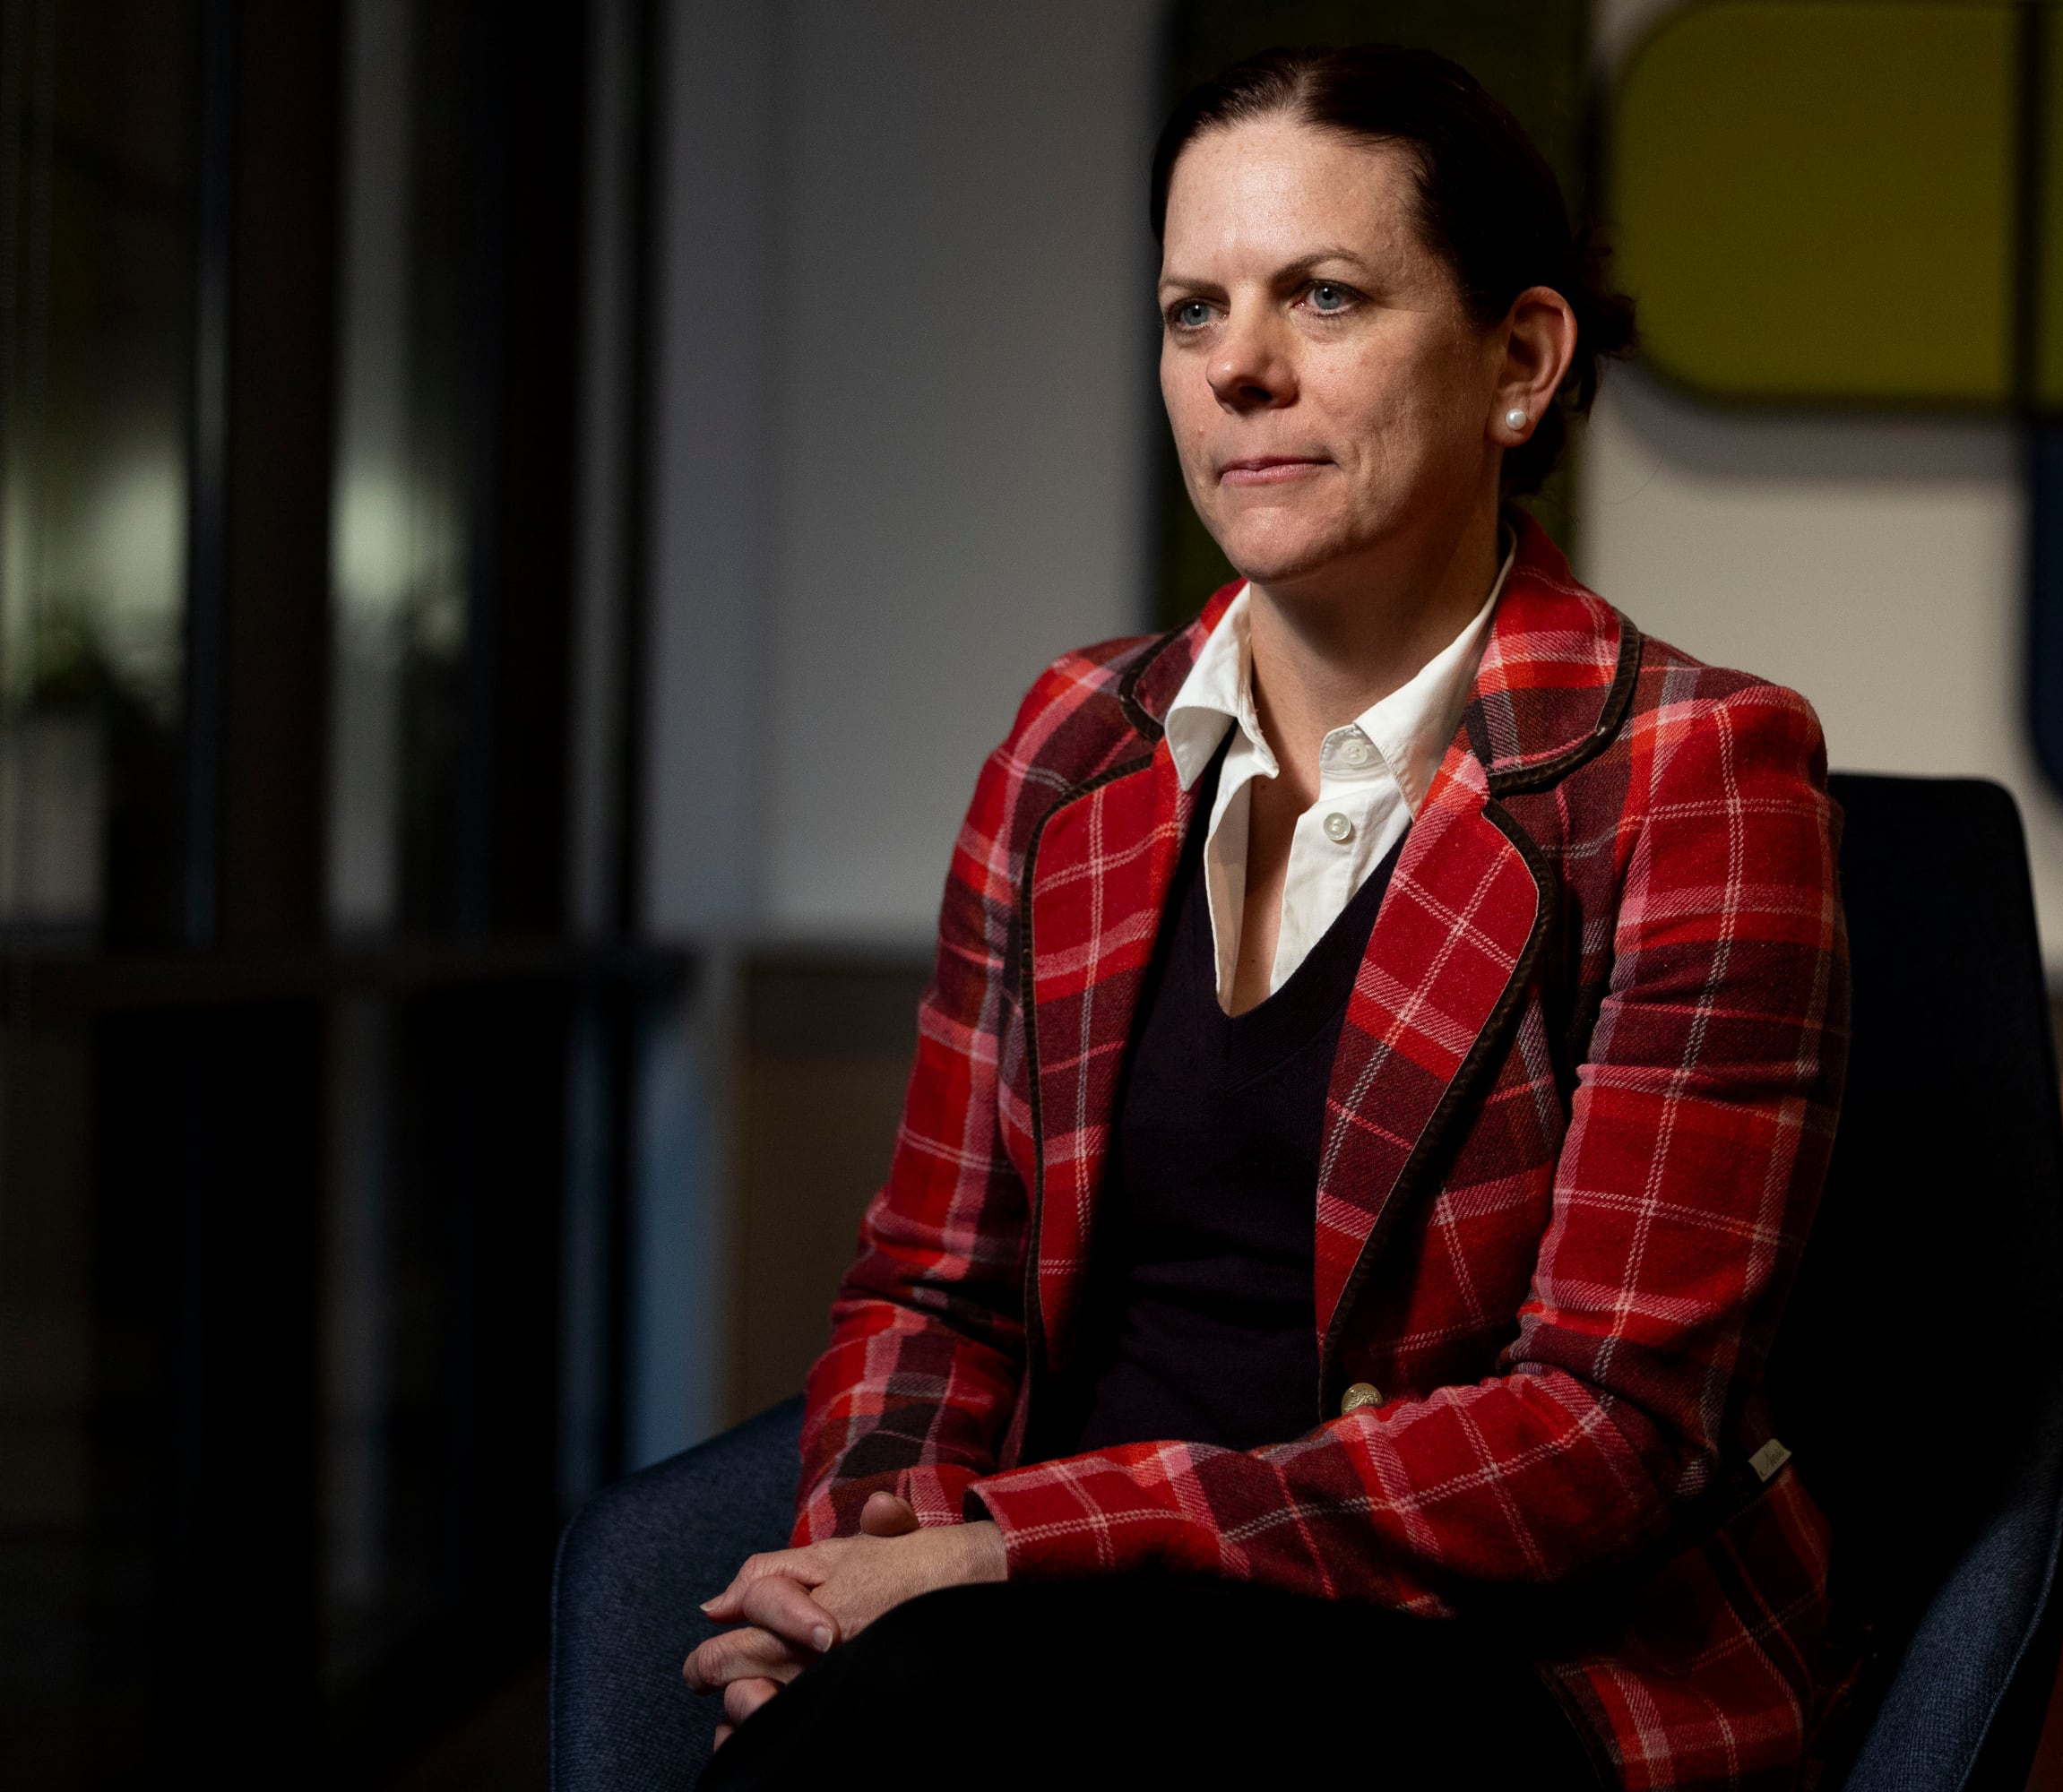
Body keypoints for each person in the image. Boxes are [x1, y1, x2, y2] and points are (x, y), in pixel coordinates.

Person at [680, 43, 1849, 1792]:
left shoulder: (1698, 774)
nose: (1237, 366)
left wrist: (1015, 1546)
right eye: (1188, 309)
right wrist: (874, 1568)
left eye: (1322, 294)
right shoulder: (1072, 745)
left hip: (1479, 1651)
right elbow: (935, 1286)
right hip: (1036, 1636)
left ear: (1519, 364)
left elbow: (1608, 1437)